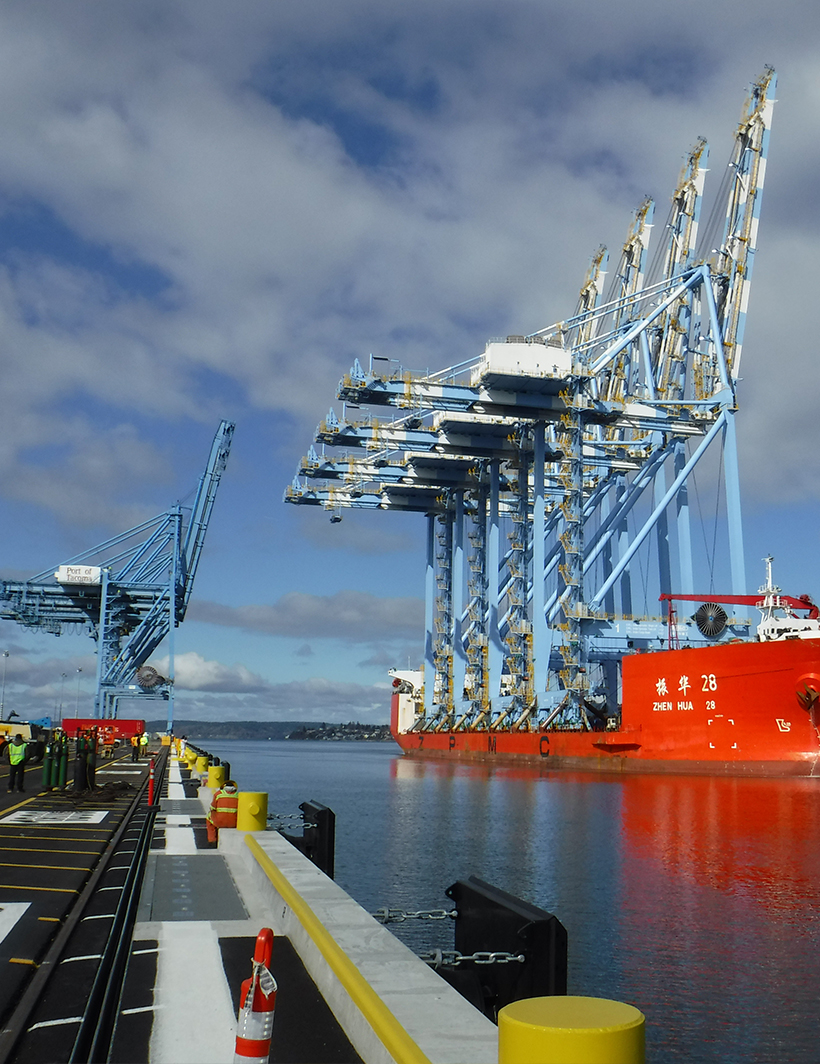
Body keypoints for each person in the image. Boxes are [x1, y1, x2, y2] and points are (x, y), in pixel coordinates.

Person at [206, 780, 239, 845]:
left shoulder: (218, 794)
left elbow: (213, 808)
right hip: (234, 823)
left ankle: (212, 840)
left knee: (208, 818)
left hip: (220, 822)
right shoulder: (238, 795)